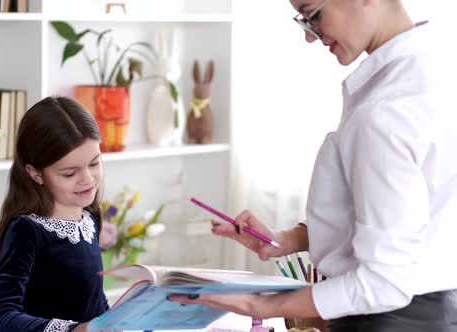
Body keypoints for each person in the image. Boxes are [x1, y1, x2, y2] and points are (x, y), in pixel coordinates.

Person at [171, 0, 457, 331]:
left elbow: (383, 284)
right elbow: (411, 220)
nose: (311, 37)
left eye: (314, 15)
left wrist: (261, 303)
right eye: (304, 21)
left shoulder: (384, 112)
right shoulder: (436, 67)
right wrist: (285, 241)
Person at [0, 96, 114, 332]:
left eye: (94, 163)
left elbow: (92, 301)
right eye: (69, 173)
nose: (87, 178)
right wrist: (73, 330)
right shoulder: (26, 230)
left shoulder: (89, 217)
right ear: (36, 174)